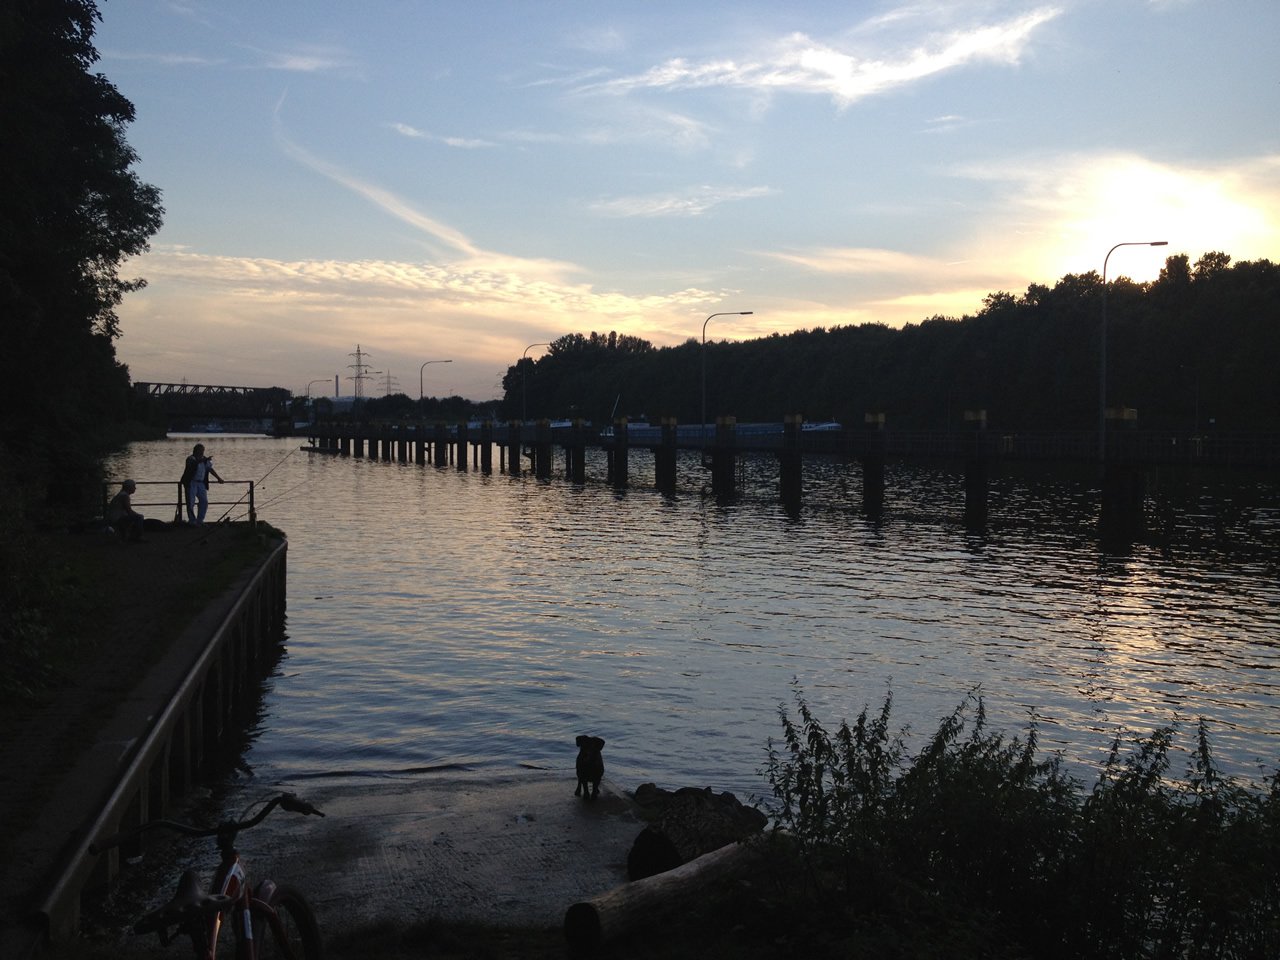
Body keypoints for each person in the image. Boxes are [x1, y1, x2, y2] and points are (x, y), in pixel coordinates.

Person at [182, 442, 224, 525]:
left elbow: (210, 469)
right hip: (191, 482)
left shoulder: (204, 460)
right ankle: (192, 521)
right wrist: (204, 460)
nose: (202, 452)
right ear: (195, 450)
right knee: (191, 502)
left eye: (203, 450)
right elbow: (193, 464)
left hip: (201, 483)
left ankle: (200, 520)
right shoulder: (190, 458)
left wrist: (218, 478)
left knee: (204, 501)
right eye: (200, 450)